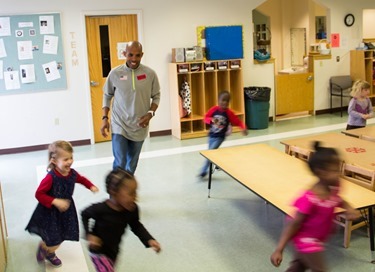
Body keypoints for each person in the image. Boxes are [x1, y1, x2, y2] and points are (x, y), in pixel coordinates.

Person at [270, 141, 360, 271]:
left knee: (299, 266)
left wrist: (349, 208)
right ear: (320, 172)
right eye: (334, 170)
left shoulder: (335, 185)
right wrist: (279, 249)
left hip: (318, 238)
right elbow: (294, 224)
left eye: (339, 168)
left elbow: (338, 199)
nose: (338, 173)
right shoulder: (309, 198)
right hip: (306, 239)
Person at [25, 140, 99, 267]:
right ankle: (47, 250)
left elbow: (81, 179)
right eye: (65, 159)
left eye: (71, 158)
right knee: (55, 240)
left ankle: (48, 250)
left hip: (66, 211)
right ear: (54, 161)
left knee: (62, 235)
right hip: (50, 212)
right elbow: (39, 194)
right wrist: (55, 201)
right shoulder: (51, 177)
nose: (70, 161)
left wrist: (90, 186)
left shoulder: (72, 173)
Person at [81, 168, 161, 272]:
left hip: (114, 251)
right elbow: (84, 214)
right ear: (113, 192)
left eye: (135, 192)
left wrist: (149, 239)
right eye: (131, 193)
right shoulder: (101, 209)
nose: (135, 197)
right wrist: (89, 234)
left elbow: (136, 225)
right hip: (98, 251)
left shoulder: (132, 209)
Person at [101, 41, 161, 174]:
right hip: (119, 123)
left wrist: (150, 113)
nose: (134, 59)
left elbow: (156, 96)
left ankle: (126, 190)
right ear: (124, 54)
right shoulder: (115, 73)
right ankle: (115, 192)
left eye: (138, 55)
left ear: (142, 55)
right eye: (130, 55)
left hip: (139, 124)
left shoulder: (150, 74)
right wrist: (105, 118)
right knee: (120, 161)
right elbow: (107, 95)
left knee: (132, 164)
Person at [198, 90, 248, 178]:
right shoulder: (214, 110)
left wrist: (243, 128)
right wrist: (211, 120)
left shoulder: (229, 113)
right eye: (223, 100)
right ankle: (217, 163)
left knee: (209, 153)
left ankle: (203, 171)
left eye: (227, 101)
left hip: (220, 137)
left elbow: (238, 122)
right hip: (211, 136)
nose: (225, 102)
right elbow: (205, 118)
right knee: (211, 153)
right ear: (218, 100)